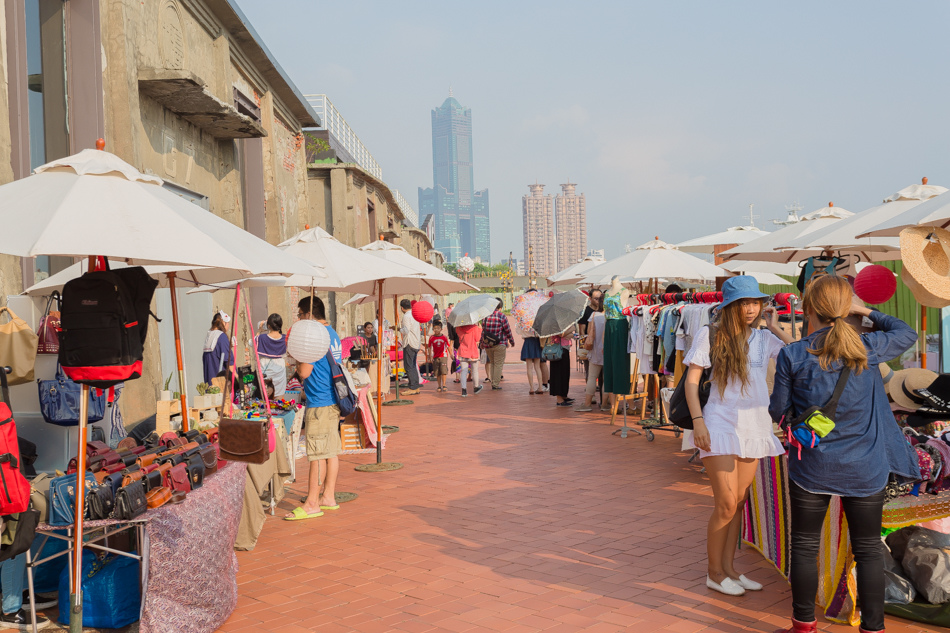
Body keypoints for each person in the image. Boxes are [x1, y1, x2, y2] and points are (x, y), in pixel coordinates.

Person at [768, 275, 918, 633]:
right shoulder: (867, 347)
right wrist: (863, 308)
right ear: (844, 308)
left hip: (812, 464)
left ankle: (803, 624)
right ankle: (873, 627)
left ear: (809, 310)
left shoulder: (793, 354)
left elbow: (778, 410)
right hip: (865, 466)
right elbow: (906, 332)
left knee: (804, 546)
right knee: (867, 550)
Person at [684, 275, 793, 597]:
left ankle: (730, 569)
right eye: (744, 303)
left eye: (755, 302)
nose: (750, 308)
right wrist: (698, 422)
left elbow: (800, 351)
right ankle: (714, 573)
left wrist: (773, 325)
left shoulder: (763, 338)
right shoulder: (711, 335)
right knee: (726, 502)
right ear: (730, 306)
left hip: (755, 425)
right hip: (718, 423)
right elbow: (692, 381)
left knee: (739, 502)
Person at [286, 296, 343, 521]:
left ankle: (311, 503)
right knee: (330, 452)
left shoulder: (314, 336)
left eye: (300, 315)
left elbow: (305, 372)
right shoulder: (332, 333)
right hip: (332, 401)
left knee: (316, 455)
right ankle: (328, 496)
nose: (299, 319)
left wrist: (297, 360)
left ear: (308, 314)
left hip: (319, 402)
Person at [577, 294, 605, 412]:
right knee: (606, 379)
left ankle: (587, 404)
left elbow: (589, 335)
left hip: (595, 351)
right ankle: (605, 404)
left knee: (592, 377)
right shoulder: (612, 317)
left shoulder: (594, 315)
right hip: (607, 351)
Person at [481, 299, 515, 390]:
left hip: (488, 345)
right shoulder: (502, 316)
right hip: (500, 343)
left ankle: (493, 382)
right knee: (498, 364)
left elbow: (483, 331)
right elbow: (507, 330)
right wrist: (511, 341)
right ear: (500, 307)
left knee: (492, 363)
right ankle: (495, 384)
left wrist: (482, 343)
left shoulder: (485, 316)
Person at [256, 313, 287, 397]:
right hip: (280, 369)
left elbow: (252, 342)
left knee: (265, 400)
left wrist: (260, 330)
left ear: (268, 326)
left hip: (265, 371)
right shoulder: (285, 338)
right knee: (279, 399)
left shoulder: (261, 338)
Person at [547, 325, 575, 406]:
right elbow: (561, 334)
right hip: (558, 349)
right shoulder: (555, 322)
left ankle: (563, 395)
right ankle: (559, 399)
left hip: (564, 348)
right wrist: (572, 329)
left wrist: (570, 334)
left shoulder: (562, 321)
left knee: (565, 373)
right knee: (558, 374)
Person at [399, 299, 422, 395]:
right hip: (415, 342)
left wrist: (398, 329)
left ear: (402, 308)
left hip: (409, 343)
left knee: (408, 366)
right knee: (412, 365)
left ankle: (413, 387)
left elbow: (406, 330)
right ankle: (415, 386)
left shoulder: (407, 316)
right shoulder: (414, 314)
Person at [455, 322, 483, 397]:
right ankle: (476, 387)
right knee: (475, 371)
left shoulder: (458, 327)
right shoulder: (475, 327)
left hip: (463, 351)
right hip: (473, 351)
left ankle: (464, 390)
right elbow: (477, 339)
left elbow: (458, 336)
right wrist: (480, 329)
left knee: (464, 371)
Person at [202, 312, 231, 385]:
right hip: (220, 383)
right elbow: (228, 361)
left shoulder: (210, 335)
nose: (228, 326)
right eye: (228, 323)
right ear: (223, 323)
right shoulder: (222, 336)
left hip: (210, 381)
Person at [429, 322, 451, 392]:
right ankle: (439, 385)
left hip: (443, 356)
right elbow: (429, 347)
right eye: (435, 328)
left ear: (441, 329)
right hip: (435, 357)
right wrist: (430, 356)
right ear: (433, 329)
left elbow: (448, 346)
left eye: (438, 328)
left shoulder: (444, 337)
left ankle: (444, 385)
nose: (436, 330)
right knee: (437, 372)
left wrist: (451, 354)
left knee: (443, 371)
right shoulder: (431, 338)